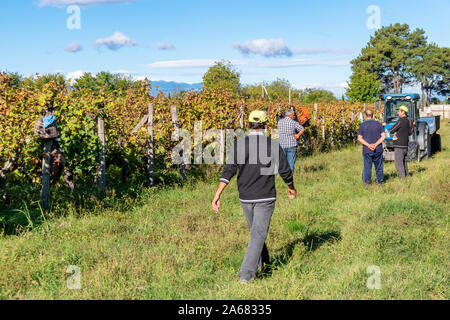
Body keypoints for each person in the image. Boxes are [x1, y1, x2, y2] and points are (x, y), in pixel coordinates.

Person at [211, 110, 296, 284]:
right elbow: (285, 170)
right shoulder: (272, 145)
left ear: (248, 124)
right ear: (266, 125)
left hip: (245, 197)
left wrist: (217, 194)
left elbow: (229, 171)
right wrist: (291, 188)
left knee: (257, 232)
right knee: (258, 233)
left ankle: (265, 265)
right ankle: (246, 275)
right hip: (265, 196)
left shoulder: (239, 144)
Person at [357, 110, 386, 186]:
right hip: (378, 149)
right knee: (379, 167)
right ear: (372, 115)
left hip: (367, 150)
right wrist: (375, 144)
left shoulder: (362, 125)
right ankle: (380, 182)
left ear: (365, 116)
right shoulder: (379, 124)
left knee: (367, 167)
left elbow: (359, 138)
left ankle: (367, 183)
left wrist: (369, 145)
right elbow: (384, 136)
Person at [389, 105, 411, 179]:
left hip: (399, 145)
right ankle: (407, 176)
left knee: (398, 163)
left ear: (403, 112)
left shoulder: (401, 121)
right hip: (405, 144)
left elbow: (391, 129)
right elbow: (410, 132)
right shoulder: (408, 120)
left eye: (399, 111)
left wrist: (395, 132)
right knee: (404, 162)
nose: (397, 112)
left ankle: (402, 178)